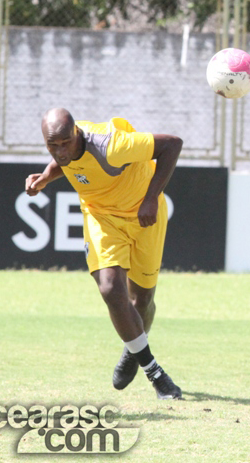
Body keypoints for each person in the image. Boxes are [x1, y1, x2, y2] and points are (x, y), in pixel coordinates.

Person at [25, 109, 183, 400]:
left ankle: (132, 349)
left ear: (77, 134)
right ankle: (155, 373)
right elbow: (68, 162)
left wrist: (150, 198)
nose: (60, 150)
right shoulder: (65, 150)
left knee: (143, 300)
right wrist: (47, 177)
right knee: (111, 289)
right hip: (102, 220)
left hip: (144, 216)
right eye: (52, 145)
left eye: (65, 143)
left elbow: (172, 143)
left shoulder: (112, 145)